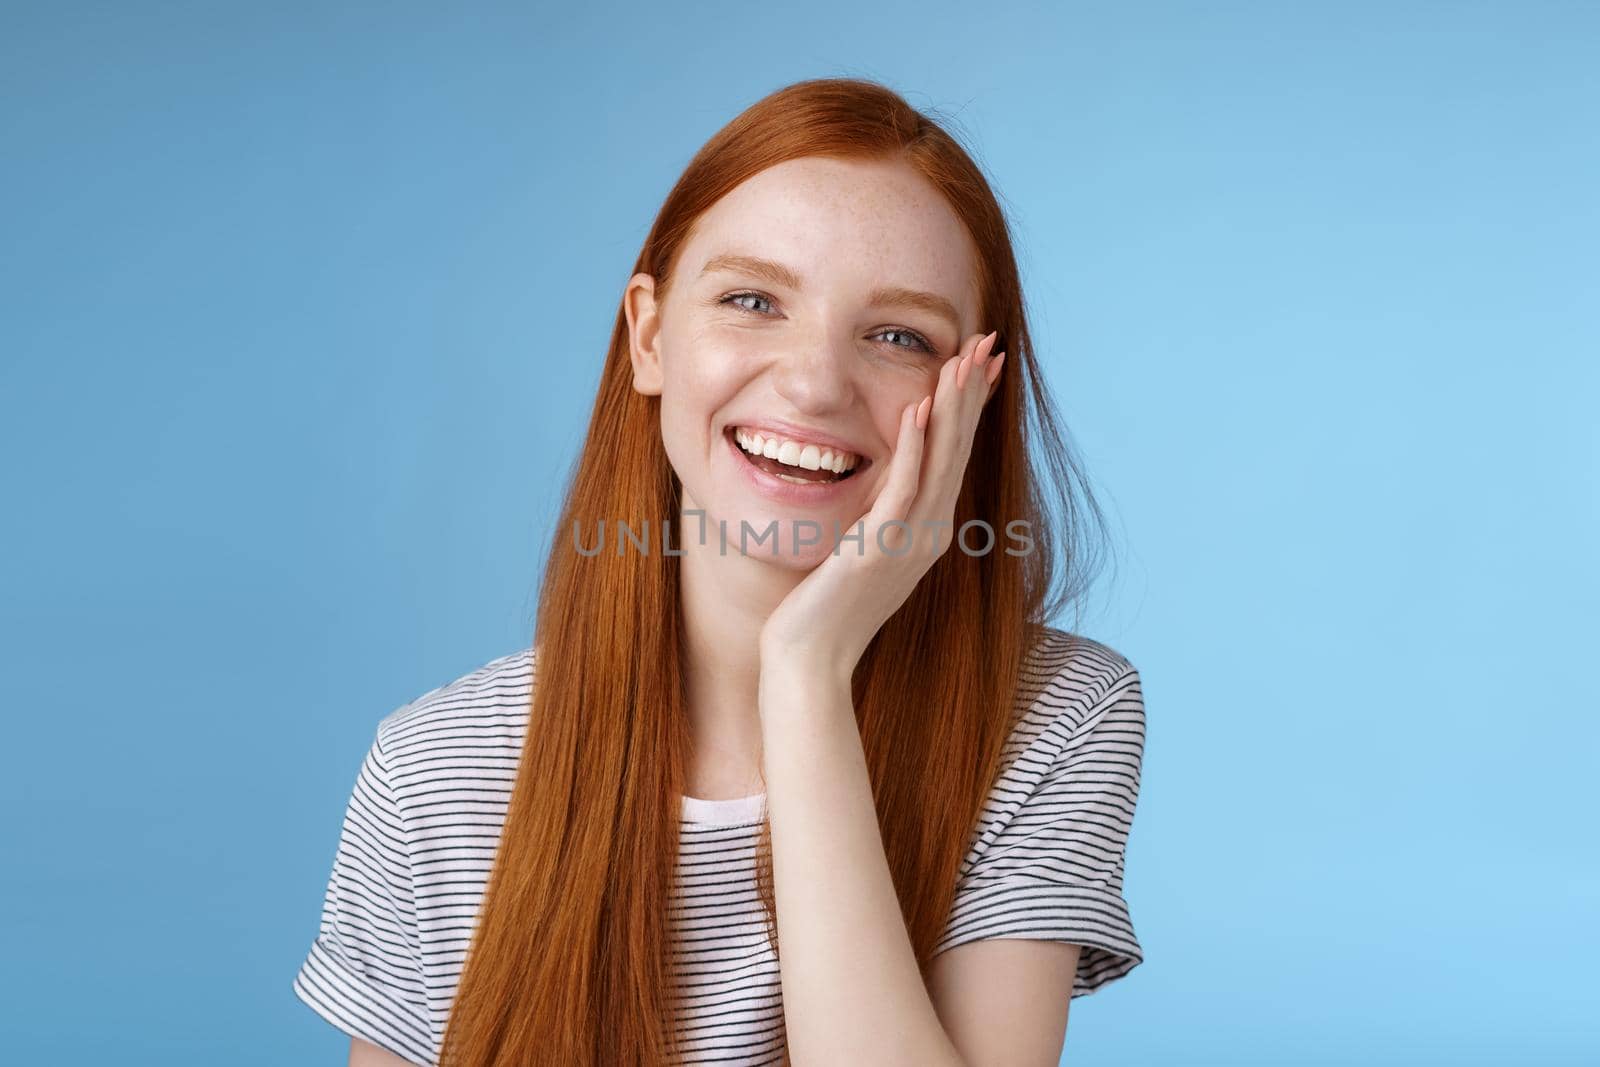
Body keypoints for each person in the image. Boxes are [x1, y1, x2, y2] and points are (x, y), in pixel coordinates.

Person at [292, 76, 1147, 1067]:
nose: (815, 382)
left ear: (973, 393)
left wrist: (806, 669)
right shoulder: (433, 772)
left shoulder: (1053, 718)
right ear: (650, 336)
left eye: (898, 336)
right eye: (753, 300)